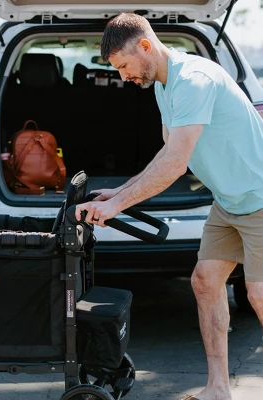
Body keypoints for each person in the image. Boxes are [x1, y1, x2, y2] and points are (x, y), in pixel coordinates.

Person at [75, 12, 263, 400]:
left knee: (258, 294)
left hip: (259, 198)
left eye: (123, 65)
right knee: (205, 282)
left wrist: (118, 206)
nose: (123, 76)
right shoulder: (165, 85)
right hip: (229, 202)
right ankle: (217, 389)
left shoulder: (194, 80)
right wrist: (119, 192)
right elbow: (166, 155)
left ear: (145, 46)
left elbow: (177, 164)